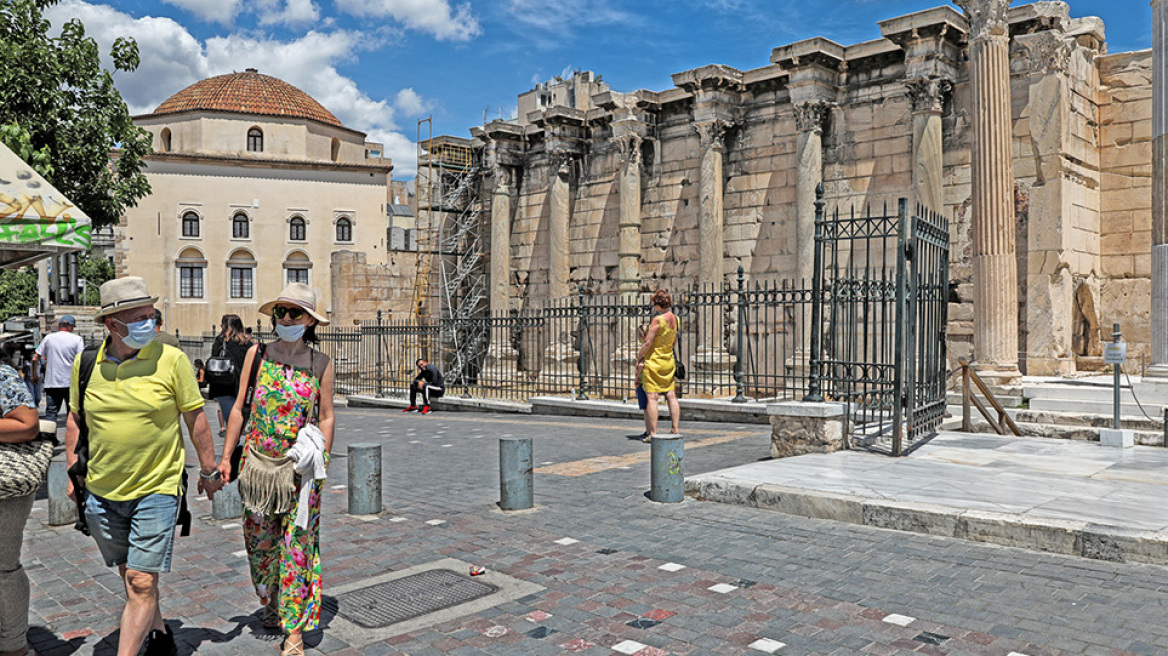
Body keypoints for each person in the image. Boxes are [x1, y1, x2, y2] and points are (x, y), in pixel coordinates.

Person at [65, 277, 223, 656]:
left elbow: (195, 417)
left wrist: (209, 469)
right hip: (102, 491)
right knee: (131, 572)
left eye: (151, 316)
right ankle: (160, 632)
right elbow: (74, 418)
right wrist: (73, 471)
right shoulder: (87, 363)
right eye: (139, 318)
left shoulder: (172, 360)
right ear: (112, 325)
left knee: (138, 579)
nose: (150, 324)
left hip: (158, 487)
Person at [218, 283, 335, 656]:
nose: (285, 318)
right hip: (257, 469)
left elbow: (328, 417)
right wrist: (224, 458)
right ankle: (270, 598)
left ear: (310, 321)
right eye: (280, 311)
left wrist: (321, 460)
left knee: (296, 547)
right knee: (260, 545)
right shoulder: (257, 354)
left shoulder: (320, 363)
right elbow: (239, 408)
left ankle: (294, 630)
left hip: (298, 474)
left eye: (294, 313)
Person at [0, 355, 43, 656]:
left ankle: (14, 646)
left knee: (3, 567)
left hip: (5, 487)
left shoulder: (2, 375)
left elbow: (28, 424)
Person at [637, 289, 681, 441]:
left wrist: (640, 355)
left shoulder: (657, 320)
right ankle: (675, 429)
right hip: (668, 361)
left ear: (658, 304)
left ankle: (653, 433)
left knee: (652, 397)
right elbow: (674, 341)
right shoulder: (676, 319)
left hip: (654, 361)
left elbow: (648, 341)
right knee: (671, 395)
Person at [32, 315, 84, 427]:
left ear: (60, 325)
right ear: (71, 327)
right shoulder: (77, 339)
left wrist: (35, 375)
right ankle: (76, 440)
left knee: (51, 413)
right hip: (71, 383)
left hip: (52, 382)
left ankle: (49, 441)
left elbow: (35, 358)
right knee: (73, 412)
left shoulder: (49, 338)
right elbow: (81, 361)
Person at [208, 315, 249, 438]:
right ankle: (237, 437)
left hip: (224, 383)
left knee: (227, 413)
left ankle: (232, 441)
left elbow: (214, 356)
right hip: (242, 383)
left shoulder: (221, 341)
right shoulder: (246, 342)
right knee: (240, 413)